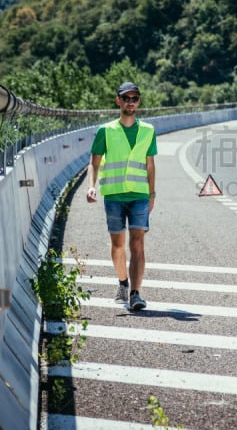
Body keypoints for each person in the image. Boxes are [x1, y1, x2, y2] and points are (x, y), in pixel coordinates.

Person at [85, 82, 157, 311]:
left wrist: (152, 193)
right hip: (114, 195)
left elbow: (150, 164)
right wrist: (91, 186)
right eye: (126, 98)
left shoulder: (148, 130)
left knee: (137, 244)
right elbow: (94, 163)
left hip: (139, 195)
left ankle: (136, 294)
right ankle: (123, 283)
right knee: (118, 246)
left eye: (134, 98)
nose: (130, 102)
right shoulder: (105, 131)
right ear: (118, 101)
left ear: (139, 102)